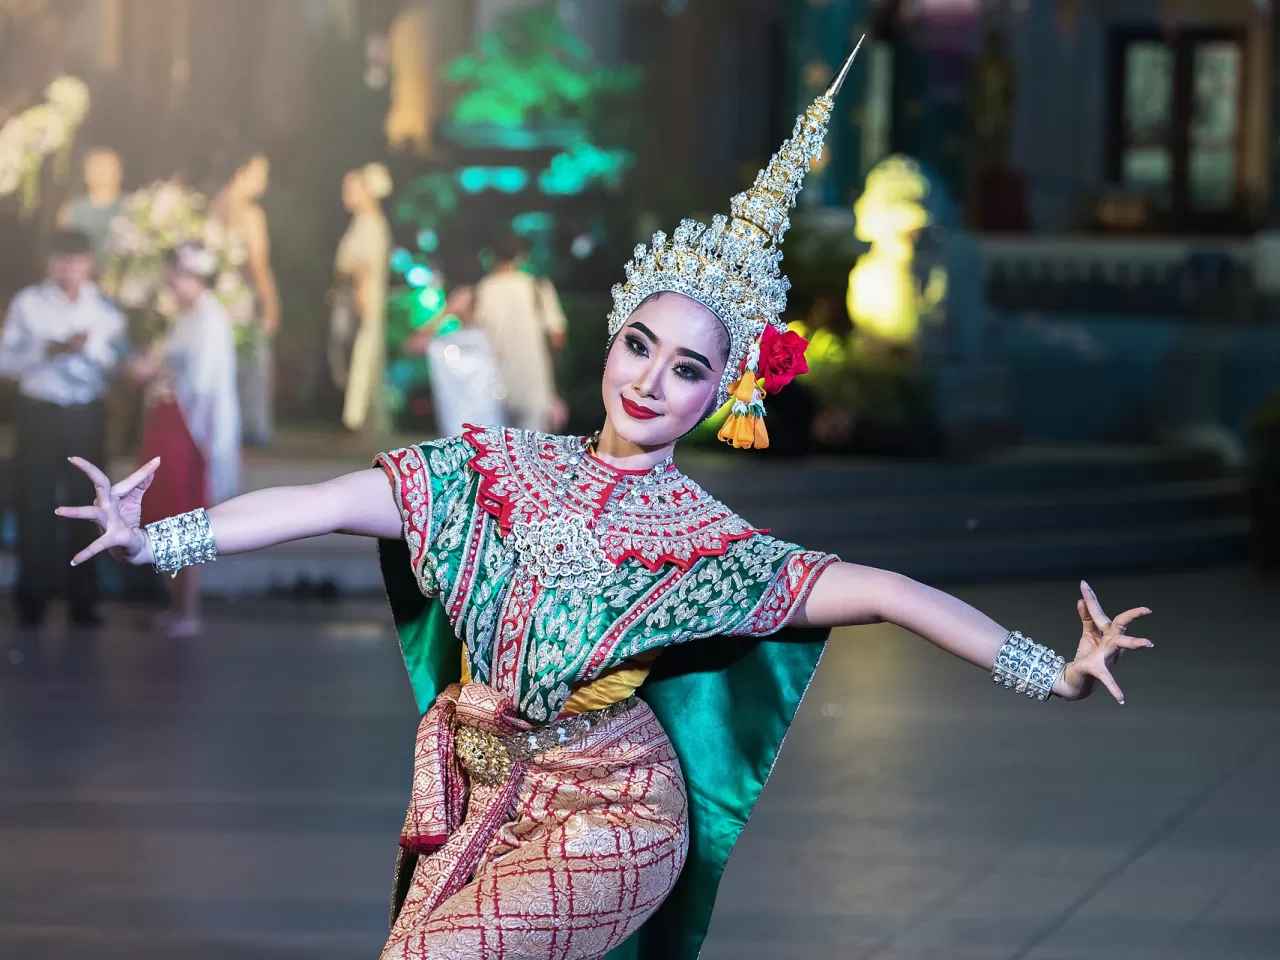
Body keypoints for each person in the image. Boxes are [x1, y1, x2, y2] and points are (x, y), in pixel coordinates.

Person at [57, 52, 1153, 960]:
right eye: (639, 344)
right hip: (483, 785)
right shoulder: (489, 471)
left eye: (685, 369)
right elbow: (331, 500)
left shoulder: (707, 549)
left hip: (617, 816)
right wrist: (161, 538)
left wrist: (1045, 671)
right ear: (612, 338)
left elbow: (886, 593)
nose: (647, 380)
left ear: (721, 393)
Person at [0, 228, 125, 627]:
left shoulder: (104, 309)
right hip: (40, 413)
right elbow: (5, 363)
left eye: (77, 261)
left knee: (89, 507)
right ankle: (31, 599)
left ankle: (83, 599)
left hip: (84, 415)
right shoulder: (28, 304)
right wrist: (45, 351)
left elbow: (120, 365)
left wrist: (87, 349)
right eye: (62, 260)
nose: (69, 268)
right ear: (49, 261)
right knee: (34, 503)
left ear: (88, 264)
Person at [129, 243, 240, 637]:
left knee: (185, 511)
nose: (172, 283)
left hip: (188, 427)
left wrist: (160, 375)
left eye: (178, 275)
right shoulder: (188, 317)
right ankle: (176, 604)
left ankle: (189, 609)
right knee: (166, 510)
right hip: (169, 420)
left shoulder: (210, 319)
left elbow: (207, 384)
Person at [211, 150, 279, 447]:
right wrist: (272, 303)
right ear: (242, 172)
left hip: (214, 301)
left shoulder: (213, 206)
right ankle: (249, 435)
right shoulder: (251, 213)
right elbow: (258, 264)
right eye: (260, 172)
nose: (264, 180)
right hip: (240, 301)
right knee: (251, 367)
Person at [473, 232, 569, 433]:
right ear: (522, 255)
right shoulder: (536, 287)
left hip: (493, 384)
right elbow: (557, 336)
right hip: (533, 383)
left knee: (497, 452)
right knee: (533, 453)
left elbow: (475, 336)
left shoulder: (483, 289)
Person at [331, 162, 393, 435]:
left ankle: (354, 420)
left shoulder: (372, 223)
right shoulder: (362, 221)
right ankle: (357, 418)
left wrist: (362, 296)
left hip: (362, 296)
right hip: (351, 295)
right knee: (352, 354)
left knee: (361, 355)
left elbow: (366, 266)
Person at [58, 147, 125, 270]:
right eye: (95, 168)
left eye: (107, 168)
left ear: (118, 172)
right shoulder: (72, 210)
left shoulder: (131, 207)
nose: (101, 173)